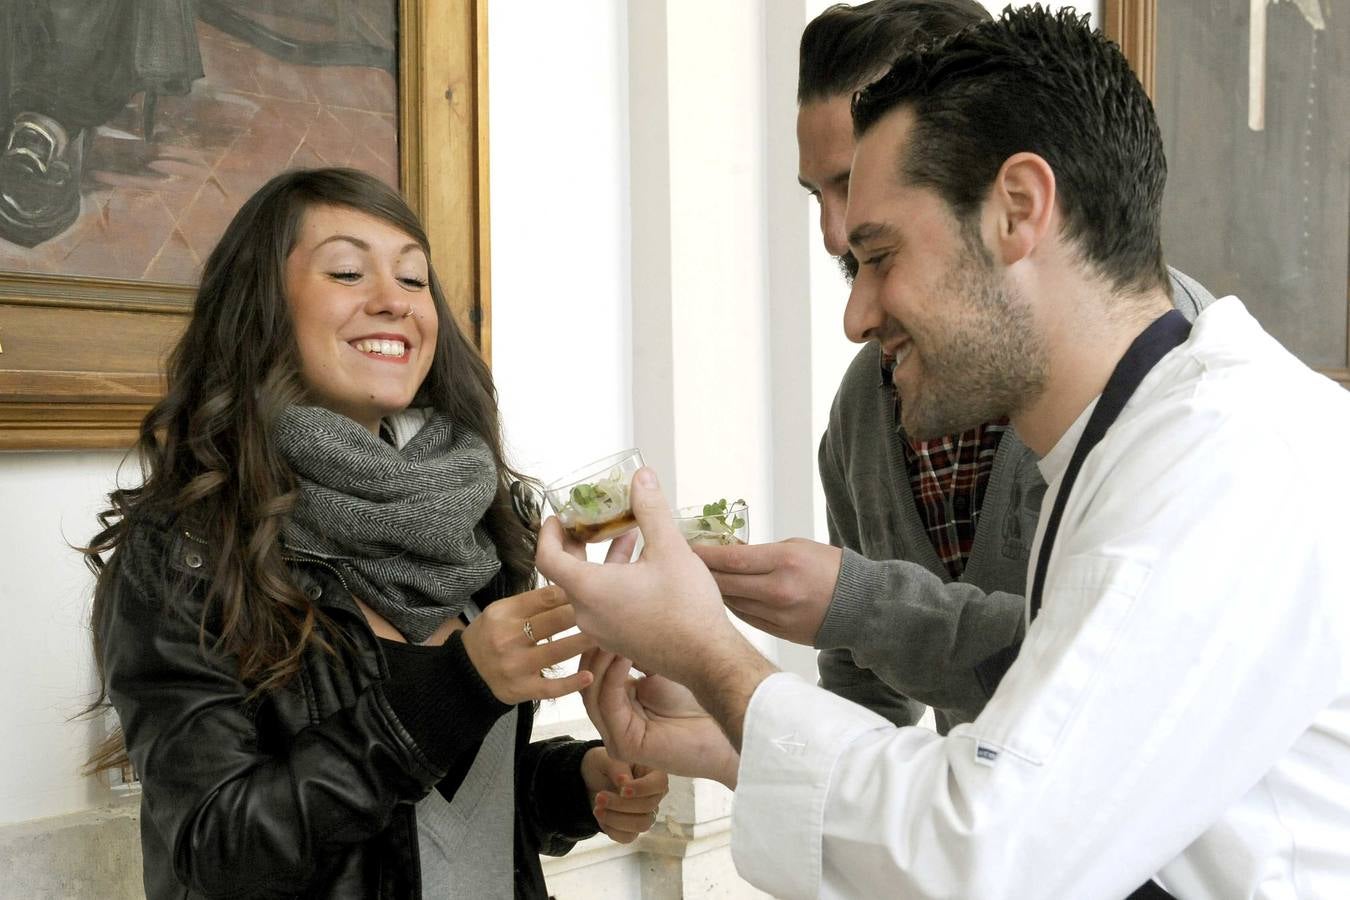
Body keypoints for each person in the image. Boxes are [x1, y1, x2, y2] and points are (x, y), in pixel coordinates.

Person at [538, 8, 1350, 899]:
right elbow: (995, 779)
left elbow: (992, 854)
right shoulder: (1119, 437)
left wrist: (709, 655)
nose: (855, 309)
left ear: (1017, 210)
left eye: (880, 251)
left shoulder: (1220, 463)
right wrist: (727, 735)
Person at [82, 167, 667, 899]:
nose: (393, 301)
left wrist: (573, 784)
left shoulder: (476, 520)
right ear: (261, 305)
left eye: (415, 280)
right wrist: (455, 689)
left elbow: (438, 806)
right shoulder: (187, 551)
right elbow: (216, 846)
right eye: (348, 271)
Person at [696, 0, 1215, 734]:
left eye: (857, 185)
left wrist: (733, 658)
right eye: (821, 194)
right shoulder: (865, 411)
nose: (832, 235)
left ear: (1004, 197)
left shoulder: (1201, 414)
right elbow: (871, 712)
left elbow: (1095, 692)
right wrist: (721, 731)